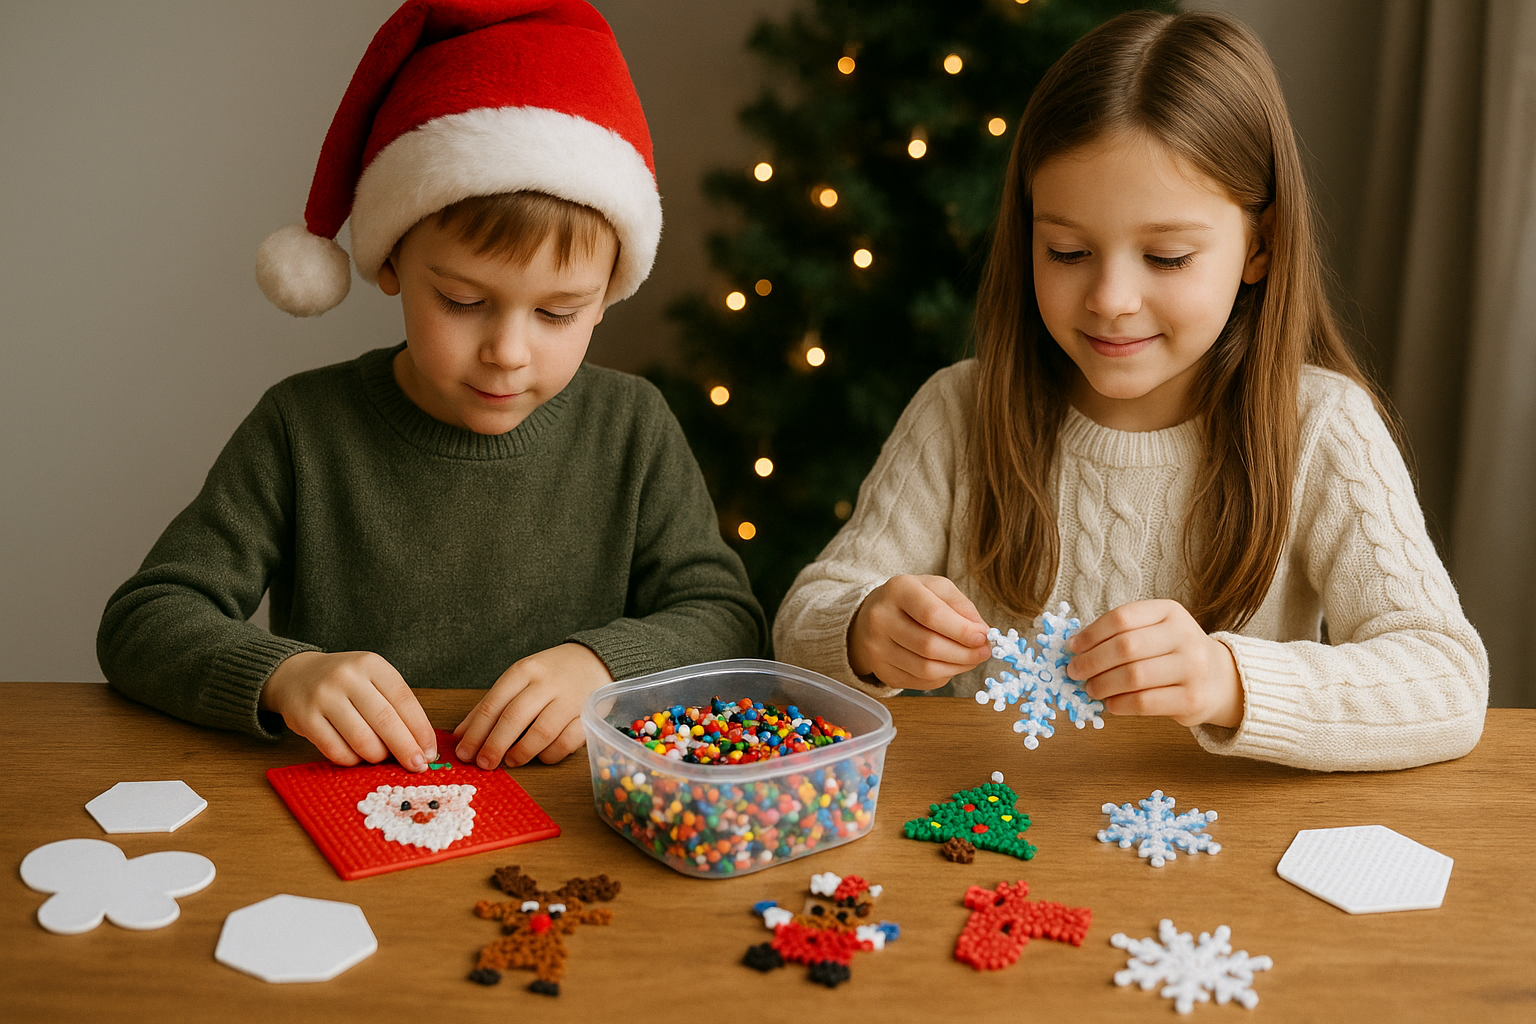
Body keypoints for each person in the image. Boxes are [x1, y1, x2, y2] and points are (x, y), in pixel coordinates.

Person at [773, 10, 1487, 771]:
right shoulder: (960, 411)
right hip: (987, 850)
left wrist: (1228, 681)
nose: (1111, 297)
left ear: (1261, 245)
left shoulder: (1319, 425)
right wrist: (863, 632)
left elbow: (1446, 681)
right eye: (1068, 250)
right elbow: (801, 624)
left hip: (1222, 866)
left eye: (1168, 257)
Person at [97, 0, 765, 774]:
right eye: (462, 302)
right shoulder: (302, 427)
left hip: (574, 824)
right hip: (345, 811)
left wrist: (605, 664)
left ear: (608, 294)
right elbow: (143, 621)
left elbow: (726, 618)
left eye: (558, 312)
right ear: (390, 262)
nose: (508, 353)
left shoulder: (633, 427)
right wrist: (284, 675)